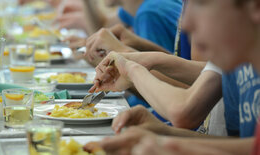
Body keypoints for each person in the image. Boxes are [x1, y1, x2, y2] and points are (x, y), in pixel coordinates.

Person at [87, 0, 260, 154]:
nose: (185, 24)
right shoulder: (232, 56)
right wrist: (165, 135)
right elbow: (247, 147)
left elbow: (184, 110)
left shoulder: (152, 10)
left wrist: (132, 68)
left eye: (202, 3)